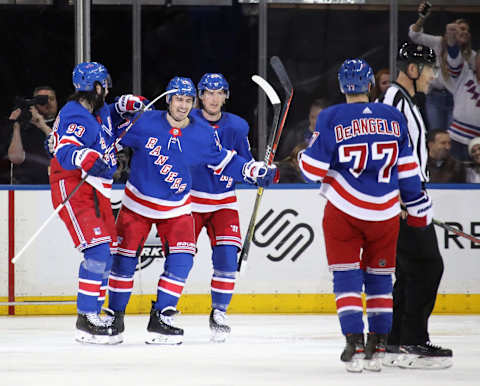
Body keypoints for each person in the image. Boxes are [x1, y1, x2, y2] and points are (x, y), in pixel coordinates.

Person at [106, 76, 277, 345]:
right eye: (178, 99)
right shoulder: (144, 122)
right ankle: (114, 317)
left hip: (176, 207)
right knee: (124, 260)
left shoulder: (202, 133)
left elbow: (224, 160)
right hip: (137, 204)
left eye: (188, 100)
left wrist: (250, 170)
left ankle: (162, 316)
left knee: (183, 258)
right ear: (168, 100)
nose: (183, 105)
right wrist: (116, 110)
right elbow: (109, 136)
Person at [298, 58, 432, 373]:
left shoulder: (331, 116)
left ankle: (354, 343)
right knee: (381, 280)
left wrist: (304, 157)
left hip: (344, 211)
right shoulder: (394, 116)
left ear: (342, 86)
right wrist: (416, 207)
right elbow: (409, 171)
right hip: (385, 213)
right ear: (370, 85)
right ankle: (379, 345)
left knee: (346, 277)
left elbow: (312, 171)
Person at [378, 42, 453, 369]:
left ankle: (396, 341)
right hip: (405, 199)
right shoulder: (395, 101)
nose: (433, 76)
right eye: (429, 69)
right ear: (412, 69)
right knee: (427, 267)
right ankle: (412, 340)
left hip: (411, 197)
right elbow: (387, 151)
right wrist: (401, 197)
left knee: (410, 272)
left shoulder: (404, 100)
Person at [49, 62, 127, 345]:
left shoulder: (97, 111)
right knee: (96, 250)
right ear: (96, 87)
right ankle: (86, 317)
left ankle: (93, 312)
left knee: (107, 252)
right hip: (73, 186)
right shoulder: (75, 115)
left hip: (97, 190)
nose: (107, 89)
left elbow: (111, 117)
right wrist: (83, 157)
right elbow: (65, 148)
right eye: (104, 85)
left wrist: (124, 107)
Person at [187, 73, 253, 342]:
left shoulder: (237, 127)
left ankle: (219, 312)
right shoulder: (186, 121)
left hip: (223, 201)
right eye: (208, 93)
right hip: (189, 200)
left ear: (226, 96)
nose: (214, 98)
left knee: (226, 258)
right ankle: (165, 310)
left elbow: (245, 164)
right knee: (180, 258)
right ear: (200, 96)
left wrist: (259, 172)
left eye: (219, 93)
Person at [408, 0, 476, 132]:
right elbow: (414, 36)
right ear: (451, 31)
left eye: (466, 30)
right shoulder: (439, 43)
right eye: (460, 29)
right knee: (436, 134)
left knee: (452, 136)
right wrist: (422, 18)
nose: (464, 32)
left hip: (458, 100)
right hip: (435, 97)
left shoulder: (471, 56)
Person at [7, 86, 58, 184]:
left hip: (57, 186)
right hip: (29, 189)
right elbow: (15, 158)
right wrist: (16, 125)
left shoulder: (63, 124)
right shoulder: (24, 128)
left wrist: (42, 125)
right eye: (42, 100)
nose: (48, 103)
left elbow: (62, 146)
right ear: (34, 103)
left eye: (51, 99)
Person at [444, 25, 480, 161]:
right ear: (476, 61)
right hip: (456, 138)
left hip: (478, 144)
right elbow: (454, 59)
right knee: (455, 177)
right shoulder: (464, 74)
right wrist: (452, 42)